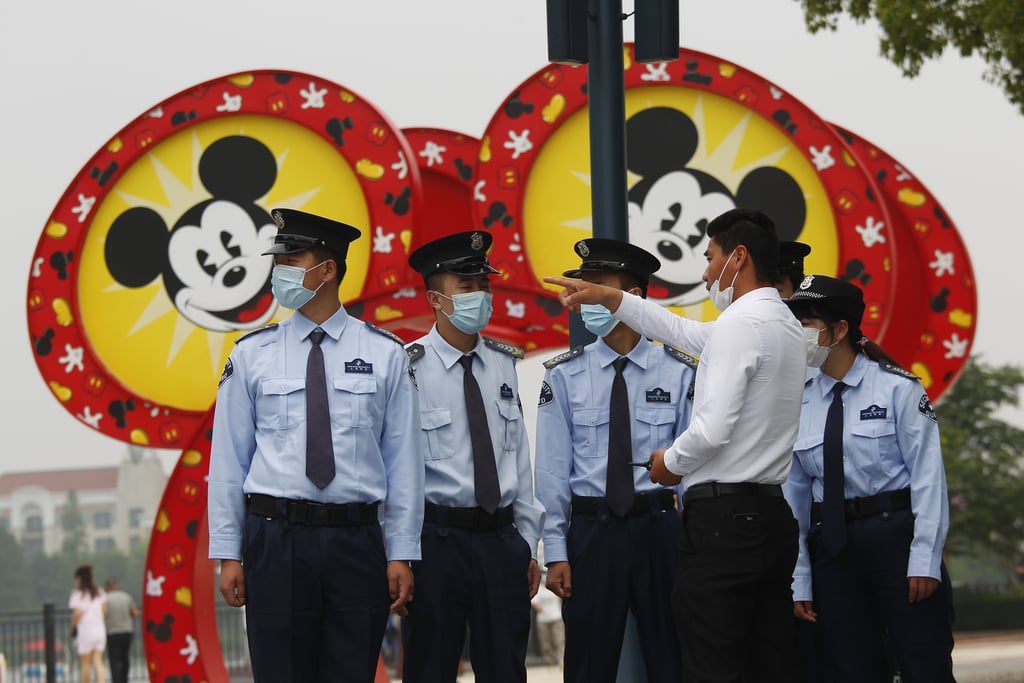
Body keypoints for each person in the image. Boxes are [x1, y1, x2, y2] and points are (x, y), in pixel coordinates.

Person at [544, 208, 807, 682]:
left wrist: (670, 463)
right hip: (768, 514)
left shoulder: (740, 325)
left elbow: (710, 430)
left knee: (709, 660)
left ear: (738, 257)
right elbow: (683, 332)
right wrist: (613, 296)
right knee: (767, 658)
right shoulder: (780, 323)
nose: (706, 273)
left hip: (725, 520)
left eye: (710, 259)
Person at [208, 208, 423, 683]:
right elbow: (228, 458)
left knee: (351, 672)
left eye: (290, 258)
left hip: (356, 539)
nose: (278, 271)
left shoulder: (384, 353)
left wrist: (401, 551)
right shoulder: (251, 354)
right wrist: (228, 553)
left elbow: (404, 462)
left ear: (327, 270)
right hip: (275, 539)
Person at [534, 238, 694, 682]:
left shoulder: (680, 372)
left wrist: (691, 545)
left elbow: (692, 472)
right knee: (587, 661)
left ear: (633, 298)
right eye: (582, 288)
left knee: (671, 656)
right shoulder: (564, 376)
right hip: (592, 534)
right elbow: (550, 472)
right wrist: (557, 553)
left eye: (597, 286)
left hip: (661, 531)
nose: (584, 298)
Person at [783, 274, 956, 682]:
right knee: (849, 667)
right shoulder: (797, 401)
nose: (799, 334)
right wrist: (801, 579)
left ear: (840, 329)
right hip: (833, 548)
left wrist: (925, 559)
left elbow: (929, 479)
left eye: (807, 323)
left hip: (895, 540)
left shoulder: (898, 389)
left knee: (922, 663)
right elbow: (795, 500)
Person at [401, 230, 545, 683]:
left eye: (485, 286)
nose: (481, 296)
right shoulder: (407, 368)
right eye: (467, 287)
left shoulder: (504, 364)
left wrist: (527, 544)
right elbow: (398, 471)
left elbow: (517, 458)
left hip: (501, 544)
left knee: (506, 669)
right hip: (435, 544)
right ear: (436, 299)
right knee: (430, 668)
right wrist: (400, 552)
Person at [69, 564, 107, 683]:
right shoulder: (99, 592)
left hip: (86, 631)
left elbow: (77, 613)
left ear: (79, 579)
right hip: (99, 630)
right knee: (98, 662)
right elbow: (104, 611)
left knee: (85, 664)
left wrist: (72, 628)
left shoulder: (77, 594)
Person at [103, 577, 138, 683]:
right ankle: (125, 679)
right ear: (117, 586)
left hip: (112, 632)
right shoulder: (126, 596)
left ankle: (116, 680)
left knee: (114, 660)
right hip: (127, 631)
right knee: (125, 658)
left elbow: (103, 614)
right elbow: (135, 613)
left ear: (107, 588)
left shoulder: (105, 599)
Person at [531, 578, 565, 669]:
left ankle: (561, 660)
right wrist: (539, 608)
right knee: (546, 642)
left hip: (556, 617)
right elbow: (533, 601)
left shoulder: (555, 586)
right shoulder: (539, 589)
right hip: (543, 619)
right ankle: (549, 660)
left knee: (559, 640)